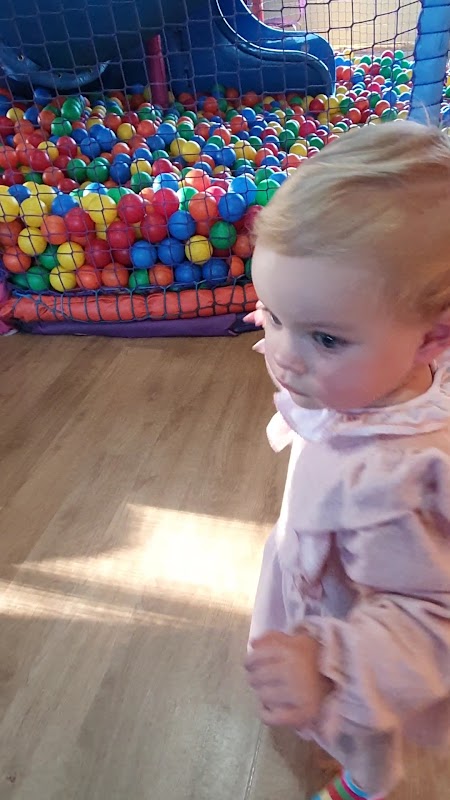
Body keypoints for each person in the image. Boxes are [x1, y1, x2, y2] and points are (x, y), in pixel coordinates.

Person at [243, 121, 450, 800]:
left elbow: (430, 621)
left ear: (433, 338)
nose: (284, 355)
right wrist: (304, 323)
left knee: (367, 724)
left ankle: (367, 783)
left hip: (364, 643)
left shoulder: (398, 483)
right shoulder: (376, 371)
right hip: (322, 573)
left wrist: (328, 662)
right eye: (272, 315)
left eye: (325, 338)